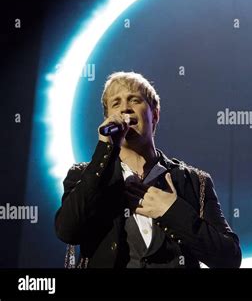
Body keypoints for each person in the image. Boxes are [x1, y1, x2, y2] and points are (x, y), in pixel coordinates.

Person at [55, 71, 241, 268]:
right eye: (116, 104)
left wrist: (173, 211)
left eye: (134, 100)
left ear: (155, 114)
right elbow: (68, 231)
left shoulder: (195, 182)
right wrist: (105, 150)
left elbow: (229, 259)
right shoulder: (84, 175)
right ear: (108, 118)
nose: (125, 108)